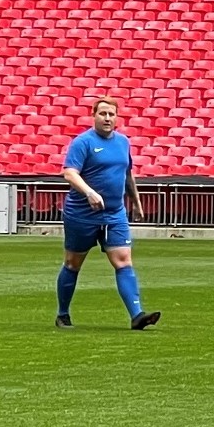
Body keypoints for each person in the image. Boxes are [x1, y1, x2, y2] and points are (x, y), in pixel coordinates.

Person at [56, 97, 160, 330]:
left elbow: (127, 173)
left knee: (123, 261)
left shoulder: (123, 142)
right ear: (94, 116)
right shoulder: (83, 142)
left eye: (111, 114)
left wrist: (136, 201)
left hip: (114, 214)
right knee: (73, 263)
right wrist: (89, 193)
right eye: (102, 113)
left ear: (117, 118)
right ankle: (63, 314)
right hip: (82, 214)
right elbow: (70, 173)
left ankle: (137, 315)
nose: (107, 118)